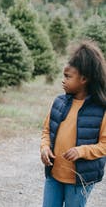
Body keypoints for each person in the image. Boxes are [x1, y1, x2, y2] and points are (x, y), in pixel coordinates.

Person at [40, 40, 106, 207]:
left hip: (79, 180)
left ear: (84, 79)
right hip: (54, 176)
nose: (63, 80)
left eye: (68, 77)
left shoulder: (101, 111)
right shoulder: (59, 103)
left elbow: (104, 145)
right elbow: (47, 131)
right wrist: (45, 147)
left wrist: (82, 151)